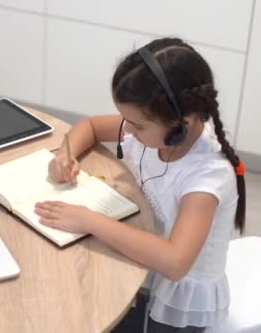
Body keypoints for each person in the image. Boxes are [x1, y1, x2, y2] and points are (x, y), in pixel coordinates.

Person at [34, 37, 246, 333]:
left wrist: (89, 219)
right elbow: (91, 126)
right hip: (142, 258)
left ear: (180, 124)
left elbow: (175, 262)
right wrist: (64, 156)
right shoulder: (152, 130)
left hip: (175, 301)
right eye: (126, 121)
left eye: (137, 125)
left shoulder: (206, 176)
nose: (127, 130)